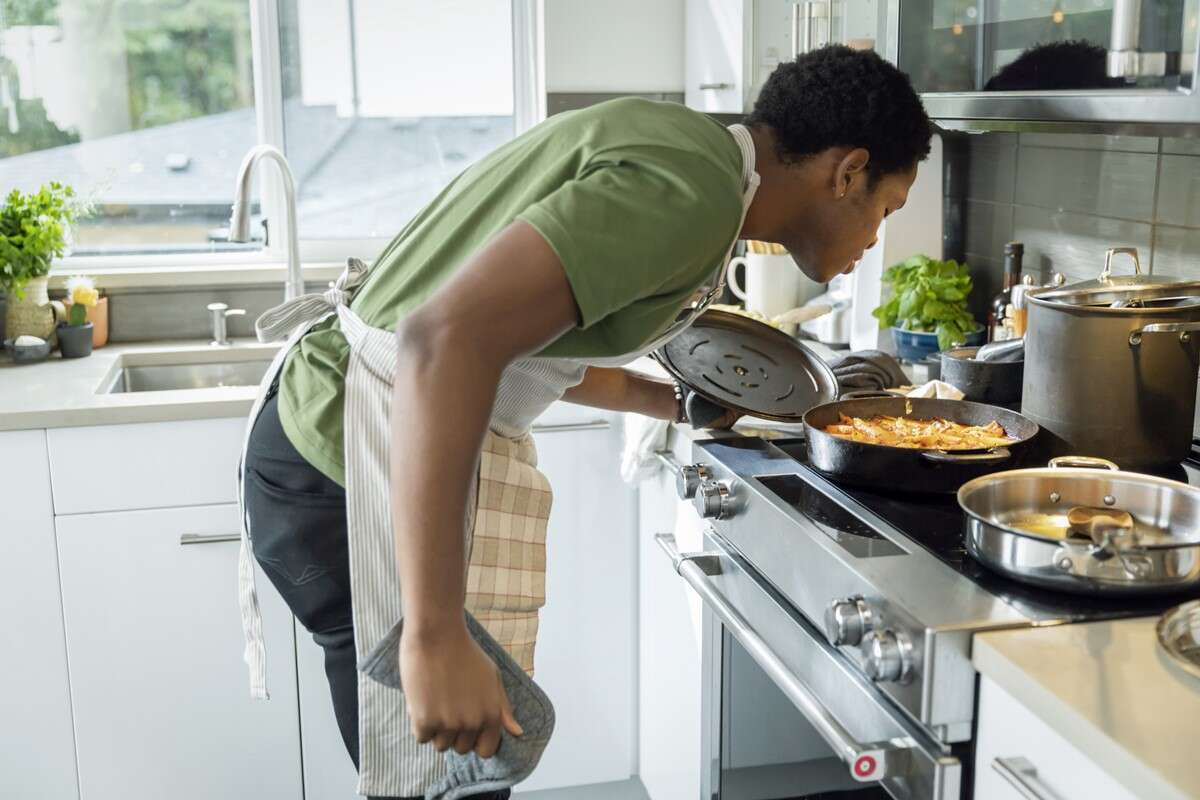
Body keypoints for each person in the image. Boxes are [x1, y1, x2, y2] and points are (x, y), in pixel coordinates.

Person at [239, 44, 932, 800]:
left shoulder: (692, 156)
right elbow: (444, 340)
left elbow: (531, 339)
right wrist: (433, 633)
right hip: (345, 461)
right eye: (885, 211)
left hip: (343, 443)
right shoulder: (692, 194)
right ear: (848, 172)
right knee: (439, 782)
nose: (873, 242)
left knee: (465, 774)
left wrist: (678, 404)